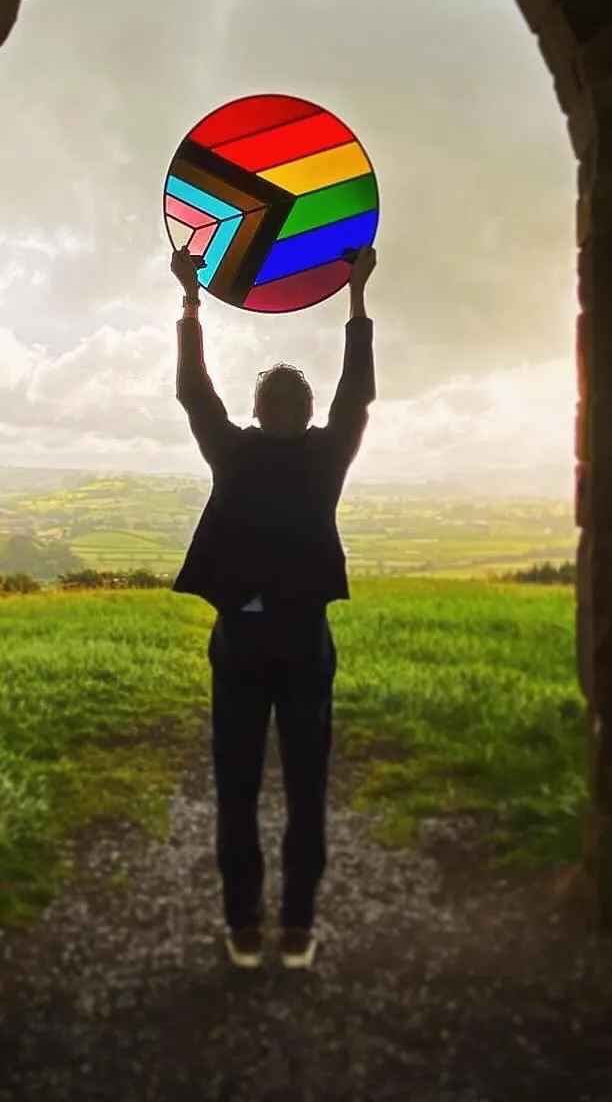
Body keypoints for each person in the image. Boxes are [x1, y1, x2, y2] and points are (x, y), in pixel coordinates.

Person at [168, 241, 378, 971]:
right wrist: (355, 296)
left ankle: (250, 928)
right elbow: (359, 394)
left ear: (257, 412)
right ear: (301, 411)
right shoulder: (326, 458)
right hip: (302, 643)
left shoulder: (235, 452)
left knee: (236, 786)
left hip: (241, 641)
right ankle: (291, 930)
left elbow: (194, 393)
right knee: (306, 788)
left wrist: (192, 301)